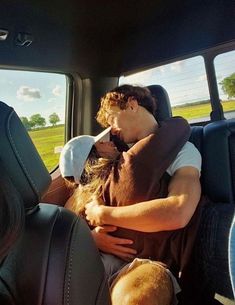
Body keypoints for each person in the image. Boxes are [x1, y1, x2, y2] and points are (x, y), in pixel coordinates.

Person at [84, 85, 235, 304]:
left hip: (204, 235)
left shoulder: (183, 151)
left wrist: (104, 214)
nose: (111, 129)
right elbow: (91, 193)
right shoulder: (121, 158)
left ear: (132, 104)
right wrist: (93, 237)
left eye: (112, 118)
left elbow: (178, 211)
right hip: (147, 260)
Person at [60, 115, 189, 304]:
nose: (111, 142)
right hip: (116, 269)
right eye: (103, 142)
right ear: (93, 156)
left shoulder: (82, 199)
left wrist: (92, 234)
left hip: (111, 271)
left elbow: (65, 235)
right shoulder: (126, 168)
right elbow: (179, 126)